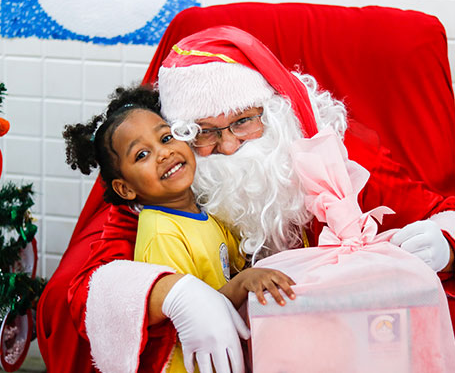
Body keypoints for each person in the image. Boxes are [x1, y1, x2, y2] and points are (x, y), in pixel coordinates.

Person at [48, 25, 455, 373]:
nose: (227, 146)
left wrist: (444, 241)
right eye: (204, 132)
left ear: (274, 113)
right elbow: (83, 283)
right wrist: (173, 294)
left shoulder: (334, 159)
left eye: (243, 121)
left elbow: (440, 210)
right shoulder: (169, 191)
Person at [62, 84, 296, 373]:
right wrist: (244, 280)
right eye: (142, 155)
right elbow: (196, 311)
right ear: (125, 188)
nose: (163, 153)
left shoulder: (204, 213)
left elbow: (228, 266)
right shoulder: (161, 231)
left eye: (166, 137)